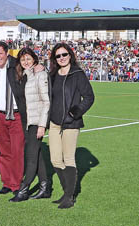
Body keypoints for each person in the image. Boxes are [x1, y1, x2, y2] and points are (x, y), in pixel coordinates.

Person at [48, 42, 95, 209]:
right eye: (58, 56)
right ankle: (67, 191)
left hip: (71, 124)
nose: (61, 58)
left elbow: (89, 97)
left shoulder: (77, 74)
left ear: (70, 55)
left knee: (68, 158)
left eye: (64, 55)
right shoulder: (52, 74)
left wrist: (75, 112)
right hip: (54, 124)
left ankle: (69, 196)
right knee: (55, 159)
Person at [10, 48, 51, 202]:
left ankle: (24, 189)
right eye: (23, 60)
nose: (26, 62)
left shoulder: (40, 74)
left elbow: (46, 101)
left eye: (28, 59)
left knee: (31, 156)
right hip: (26, 122)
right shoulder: (24, 75)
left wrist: (42, 125)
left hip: (36, 122)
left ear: (34, 59)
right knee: (38, 155)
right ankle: (45, 187)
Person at [0, 41, 27, 196]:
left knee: (17, 151)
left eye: (0, 54)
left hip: (15, 115)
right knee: (4, 152)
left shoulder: (17, 66)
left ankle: (16, 184)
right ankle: (7, 183)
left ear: (7, 53)